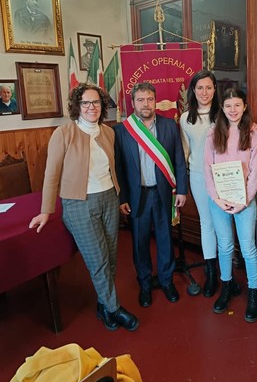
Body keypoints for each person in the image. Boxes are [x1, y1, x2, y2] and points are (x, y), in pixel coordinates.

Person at [29, 83, 139, 333]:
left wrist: (120, 197)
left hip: (109, 198)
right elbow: (51, 174)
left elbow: (114, 168)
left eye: (96, 103)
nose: (92, 107)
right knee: (97, 260)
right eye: (86, 103)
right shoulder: (64, 133)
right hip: (78, 204)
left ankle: (103, 306)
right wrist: (46, 210)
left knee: (111, 256)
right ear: (77, 106)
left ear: (102, 106)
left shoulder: (108, 132)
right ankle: (115, 309)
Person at [114, 82, 188, 308]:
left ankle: (166, 280)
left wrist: (182, 190)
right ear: (133, 102)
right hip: (138, 196)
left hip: (164, 193)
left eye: (149, 99)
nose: (145, 104)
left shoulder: (169, 126)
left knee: (166, 239)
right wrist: (123, 197)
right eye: (140, 100)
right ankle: (145, 283)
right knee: (140, 242)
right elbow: (119, 168)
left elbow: (178, 160)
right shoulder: (122, 130)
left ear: (155, 101)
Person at [204, 88, 257, 322]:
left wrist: (244, 201)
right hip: (218, 200)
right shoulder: (213, 133)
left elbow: (256, 172)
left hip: (244, 201)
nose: (233, 110)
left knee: (248, 248)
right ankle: (227, 287)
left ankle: (253, 292)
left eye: (237, 105)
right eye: (228, 106)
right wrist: (217, 199)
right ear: (222, 108)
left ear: (245, 106)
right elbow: (208, 169)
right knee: (225, 247)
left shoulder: (254, 134)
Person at [180, 70, 220, 297]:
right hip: (197, 174)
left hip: (223, 175)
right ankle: (211, 272)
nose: (204, 92)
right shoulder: (185, 118)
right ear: (193, 91)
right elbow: (186, 151)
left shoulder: (224, 114)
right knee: (207, 223)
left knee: (224, 222)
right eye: (200, 88)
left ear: (215, 89)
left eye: (209, 87)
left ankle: (227, 270)